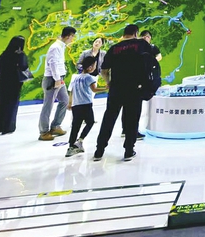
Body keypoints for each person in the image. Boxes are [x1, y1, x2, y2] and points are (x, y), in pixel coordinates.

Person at [94, 24, 155, 162]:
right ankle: (128, 150)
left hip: (116, 88)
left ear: (124, 33)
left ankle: (99, 151)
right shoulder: (142, 45)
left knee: (109, 118)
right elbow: (151, 65)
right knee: (132, 119)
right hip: (135, 88)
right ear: (136, 33)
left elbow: (104, 70)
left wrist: (109, 82)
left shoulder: (114, 48)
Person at [39, 27, 76, 141]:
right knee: (48, 105)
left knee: (64, 100)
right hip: (52, 79)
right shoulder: (55, 47)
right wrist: (57, 79)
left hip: (59, 79)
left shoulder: (61, 46)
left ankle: (55, 126)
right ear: (68, 36)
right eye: (72, 36)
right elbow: (53, 63)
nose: (73, 39)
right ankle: (44, 132)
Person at [0, 36, 29, 135]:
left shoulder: (4, 55)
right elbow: (24, 67)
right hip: (14, 84)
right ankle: (8, 127)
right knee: (11, 105)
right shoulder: (20, 56)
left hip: (2, 83)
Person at [66, 56, 107, 157]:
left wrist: (70, 102)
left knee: (75, 126)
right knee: (90, 122)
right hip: (86, 104)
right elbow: (94, 89)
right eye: (94, 65)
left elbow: (71, 91)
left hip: (76, 105)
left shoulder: (76, 77)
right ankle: (80, 140)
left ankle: (71, 147)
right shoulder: (89, 78)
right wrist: (105, 89)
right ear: (90, 67)